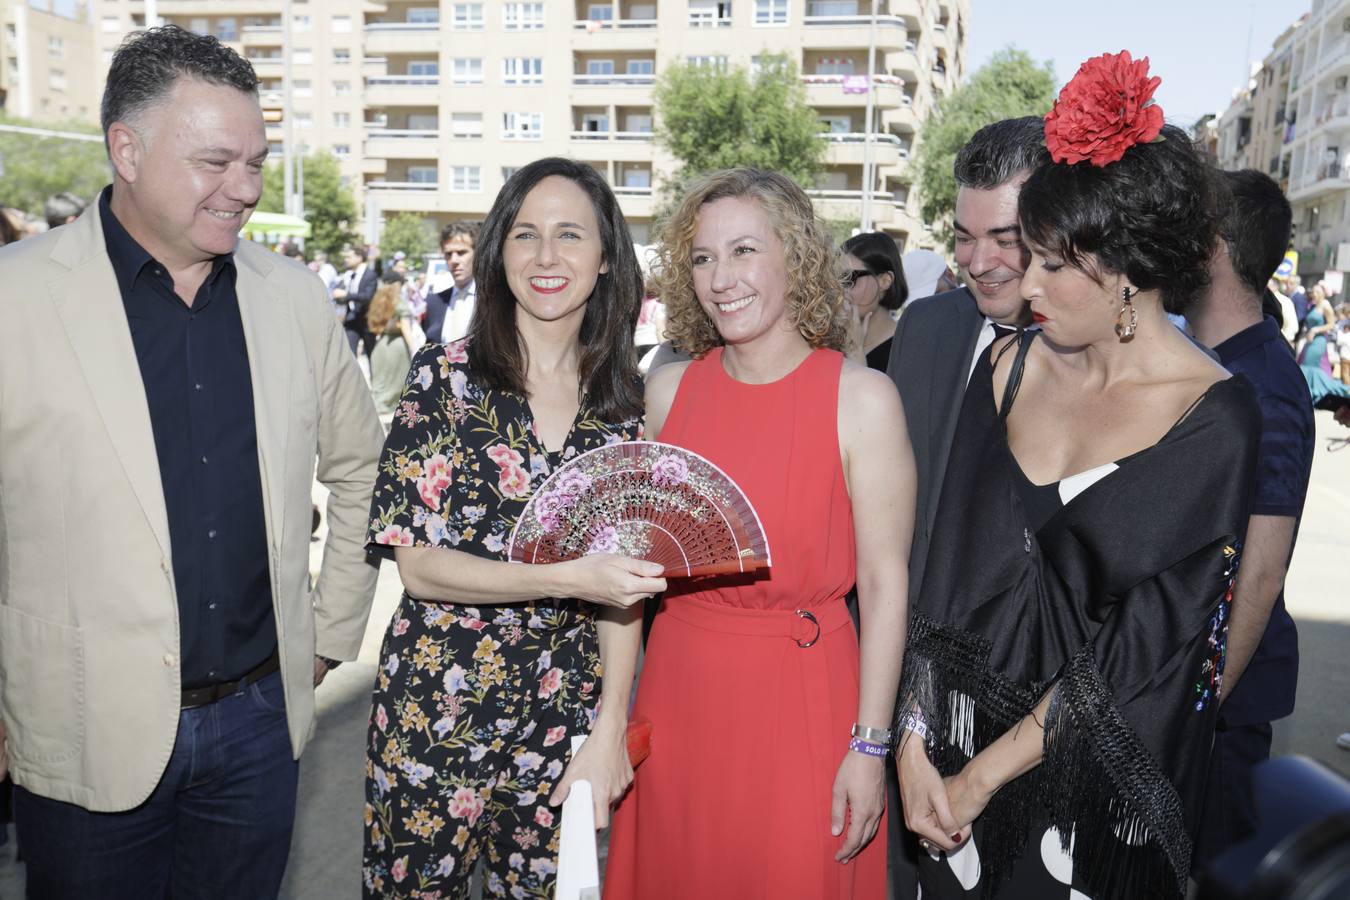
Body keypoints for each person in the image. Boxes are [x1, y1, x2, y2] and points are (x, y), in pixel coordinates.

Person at [0, 25, 383, 898]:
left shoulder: (291, 297)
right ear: (125, 150)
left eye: (254, 162)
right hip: (82, 726)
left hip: (259, 728)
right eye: (216, 162)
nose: (243, 189)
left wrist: (326, 639)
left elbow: (363, 468)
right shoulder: (14, 296)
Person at [893, 55, 1260, 900]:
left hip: (1089, 805)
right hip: (946, 776)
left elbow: (1136, 656)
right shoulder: (1011, 368)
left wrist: (982, 779)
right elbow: (940, 583)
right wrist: (912, 743)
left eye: (1051, 264)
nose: (1024, 285)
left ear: (1126, 270)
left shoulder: (1215, 421)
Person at [605, 168, 912, 899]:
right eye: (703, 258)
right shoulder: (669, 392)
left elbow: (885, 585)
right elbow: (630, 567)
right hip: (678, 697)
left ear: (795, 256)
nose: (721, 278)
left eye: (744, 251)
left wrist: (869, 747)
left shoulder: (861, 399)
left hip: (803, 699)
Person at [362, 157, 662, 898]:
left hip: (566, 723)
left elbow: (623, 590)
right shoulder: (443, 379)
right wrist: (564, 579)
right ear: (499, 252)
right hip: (435, 712)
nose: (547, 256)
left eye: (570, 235)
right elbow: (421, 566)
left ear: (605, 259)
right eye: (526, 234)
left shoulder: (625, 409)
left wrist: (610, 725)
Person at [882, 115, 1043, 899]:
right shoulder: (927, 329)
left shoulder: (1102, 359)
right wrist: (902, 728)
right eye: (964, 235)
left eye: (1006, 237)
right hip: (905, 703)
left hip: (1036, 726)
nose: (978, 261)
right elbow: (897, 540)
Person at [1185, 169, 1315, 871]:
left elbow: (1259, 576)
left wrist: (1197, 707)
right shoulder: (1205, 361)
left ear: (1215, 248)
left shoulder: (1265, 384)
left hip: (1219, 715)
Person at [842, 231, 908, 371]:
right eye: (835, 279)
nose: (841, 290)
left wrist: (855, 354)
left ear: (885, 281)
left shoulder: (907, 348)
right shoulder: (833, 342)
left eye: (849, 279)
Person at [366, 270, 418, 417]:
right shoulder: (399, 301)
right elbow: (407, 329)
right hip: (397, 348)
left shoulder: (378, 300)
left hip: (381, 347)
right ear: (396, 284)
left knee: (382, 384)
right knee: (396, 386)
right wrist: (415, 349)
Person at [424, 221, 478, 344]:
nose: (454, 260)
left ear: (477, 253)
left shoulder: (494, 300)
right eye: (448, 254)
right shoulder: (434, 302)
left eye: (461, 252)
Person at [1298, 284, 1350, 406]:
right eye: (1313, 291)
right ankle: (1305, 392)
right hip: (1310, 341)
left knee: (1310, 366)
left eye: (1317, 291)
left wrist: (1315, 330)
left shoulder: (1326, 305)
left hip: (1319, 341)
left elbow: (1331, 324)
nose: (1314, 293)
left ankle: (1312, 392)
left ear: (1323, 293)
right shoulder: (1313, 305)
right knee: (1305, 365)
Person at [335, 244, 378, 356]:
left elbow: (368, 297)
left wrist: (346, 295)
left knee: (371, 354)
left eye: (349, 257)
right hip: (351, 320)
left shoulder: (370, 275)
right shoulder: (348, 275)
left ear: (359, 258)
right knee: (349, 355)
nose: (346, 260)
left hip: (366, 320)